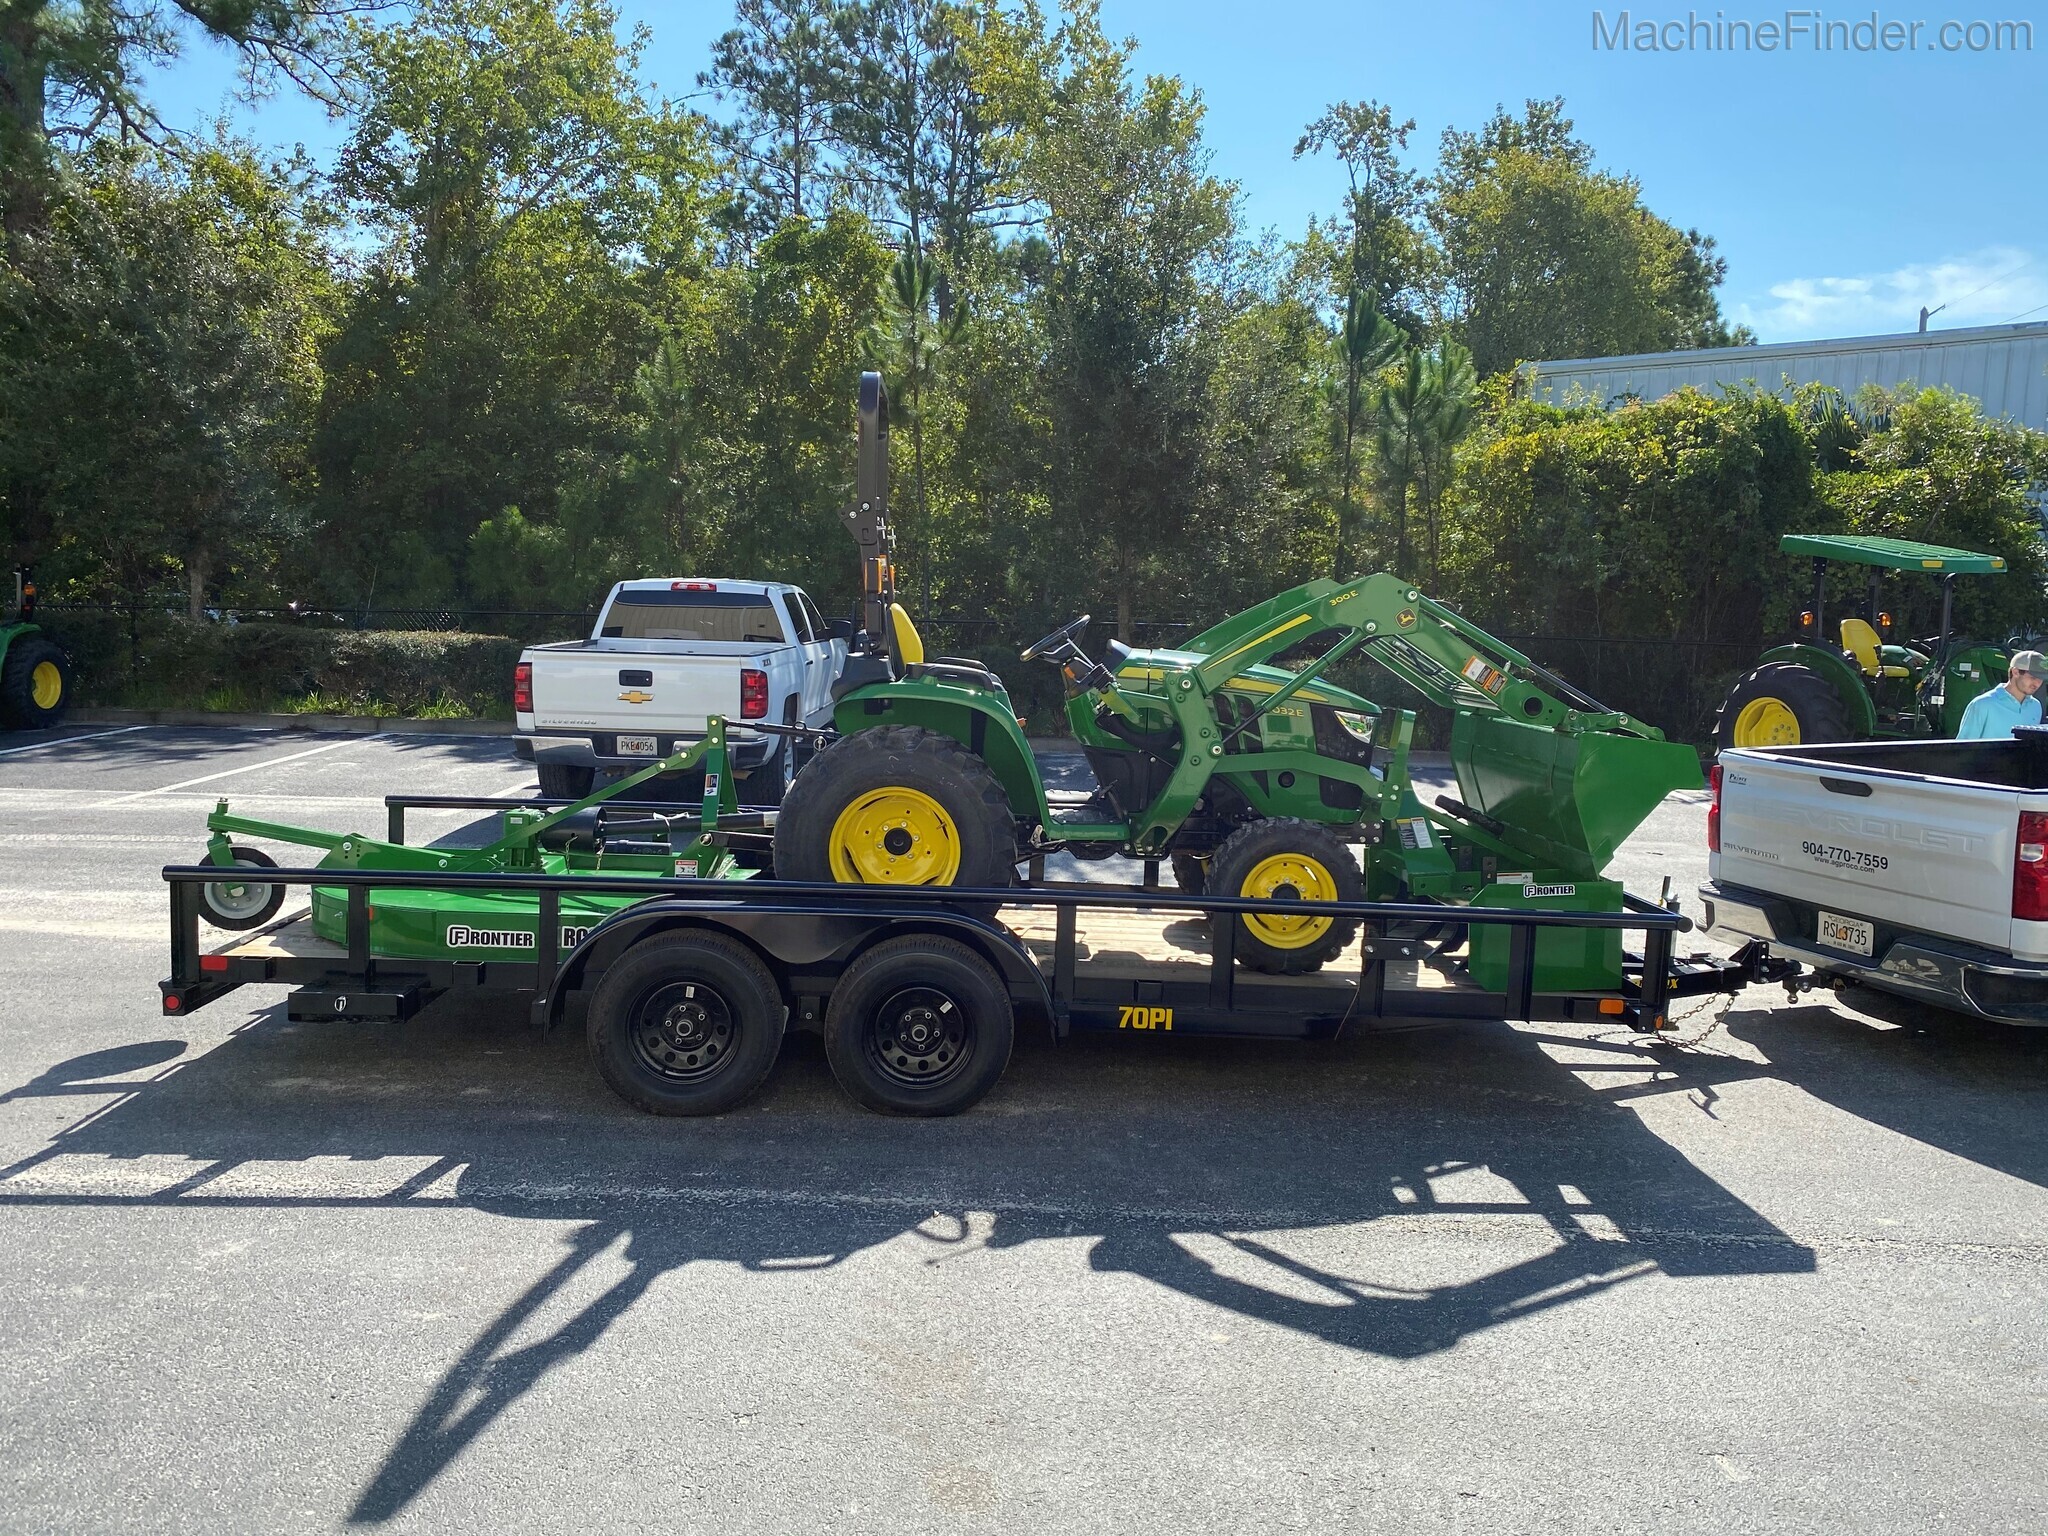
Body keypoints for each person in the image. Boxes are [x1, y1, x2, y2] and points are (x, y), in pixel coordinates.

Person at [1956, 650, 2048, 739]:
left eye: (2041, 678)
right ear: (2015, 672)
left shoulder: (2036, 706)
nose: (2037, 683)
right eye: (2033, 677)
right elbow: (1962, 750)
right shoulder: (1982, 704)